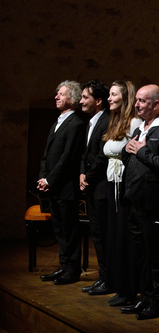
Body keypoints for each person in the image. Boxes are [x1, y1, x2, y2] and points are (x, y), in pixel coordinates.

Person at [120, 84, 159, 320]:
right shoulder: (139, 130)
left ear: (156, 104)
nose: (137, 105)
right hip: (134, 201)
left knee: (156, 255)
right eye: (137, 101)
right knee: (140, 254)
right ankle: (144, 297)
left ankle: (157, 301)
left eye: (143, 101)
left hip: (153, 203)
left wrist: (141, 151)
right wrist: (129, 149)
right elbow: (130, 159)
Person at [38, 80, 85, 285]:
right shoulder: (57, 122)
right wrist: (43, 177)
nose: (56, 97)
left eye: (61, 94)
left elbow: (68, 158)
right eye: (57, 93)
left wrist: (50, 179)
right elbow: (47, 155)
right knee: (58, 229)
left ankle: (72, 270)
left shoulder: (76, 124)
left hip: (66, 187)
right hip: (54, 185)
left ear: (72, 99)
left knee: (69, 230)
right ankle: (64, 266)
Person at [103, 80, 142, 307]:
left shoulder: (134, 122)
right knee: (114, 236)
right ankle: (118, 285)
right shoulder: (115, 122)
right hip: (112, 182)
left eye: (113, 94)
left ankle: (128, 289)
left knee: (124, 237)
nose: (109, 98)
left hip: (124, 184)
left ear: (124, 98)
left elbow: (131, 153)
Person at [79, 79, 111, 295]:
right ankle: (103, 277)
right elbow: (85, 153)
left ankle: (107, 279)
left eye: (85, 97)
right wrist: (82, 172)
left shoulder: (107, 120)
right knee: (96, 234)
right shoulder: (90, 121)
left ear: (98, 101)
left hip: (101, 186)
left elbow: (101, 156)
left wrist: (88, 177)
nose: (81, 101)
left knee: (103, 235)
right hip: (90, 182)